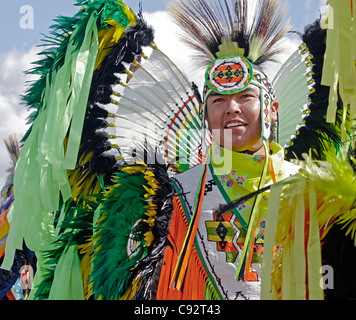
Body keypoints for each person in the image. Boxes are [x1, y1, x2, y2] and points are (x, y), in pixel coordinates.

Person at [1, 0, 355, 301]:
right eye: (218, 101)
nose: (232, 108)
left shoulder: (311, 192)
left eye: (246, 97)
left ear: (271, 109)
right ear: (206, 115)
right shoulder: (176, 196)